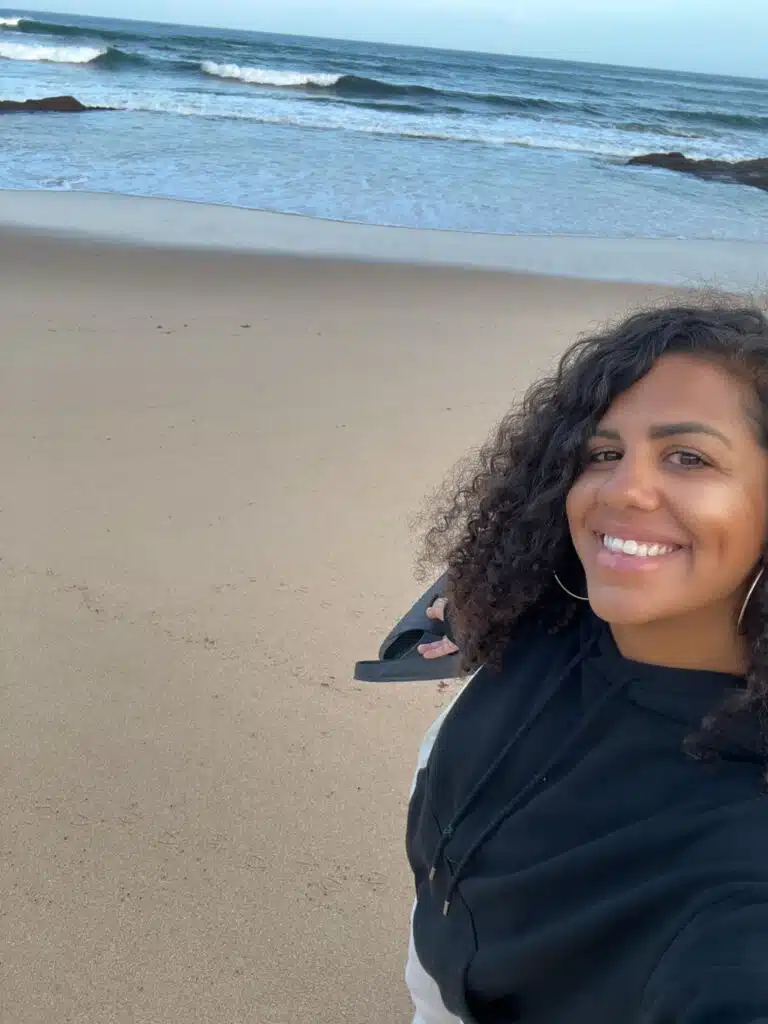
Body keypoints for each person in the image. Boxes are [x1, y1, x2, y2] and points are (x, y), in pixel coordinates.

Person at [404, 302, 768, 1024]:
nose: (622, 490)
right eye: (602, 454)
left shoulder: (740, 871)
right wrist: (470, 602)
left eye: (688, 457)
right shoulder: (551, 604)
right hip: (435, 962)